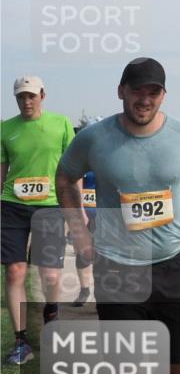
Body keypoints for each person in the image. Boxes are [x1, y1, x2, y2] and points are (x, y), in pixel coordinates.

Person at [56, 57, 180, 374]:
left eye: (153, 91)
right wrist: (78, 228)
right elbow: (64, 176)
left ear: (163, 95)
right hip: (116, 265)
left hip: (171, 265)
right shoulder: (93, 138)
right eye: (137, 89)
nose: (145, 99)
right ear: (121, 90)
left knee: (179, 365)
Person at [1, 75, 75, 365]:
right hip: (11, 204)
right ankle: (21, 341)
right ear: (15, 98)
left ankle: (52, 316)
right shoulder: (5, 128)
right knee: (14, 272)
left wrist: (74, 210)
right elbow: (1, 170)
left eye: (31, 95)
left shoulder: (61, 123)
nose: (26, 101)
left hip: (50, 206)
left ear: (42, 95)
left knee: (50, 275)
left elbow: (71, 172)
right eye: (21, 96)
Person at [70, 116, 103, 308]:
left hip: (105, 215)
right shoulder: (78, 156)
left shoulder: (109, 156)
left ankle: (101, 295)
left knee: (104, 255)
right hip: (83, 213)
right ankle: (84, 290)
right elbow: (73, 185)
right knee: (82, 252)